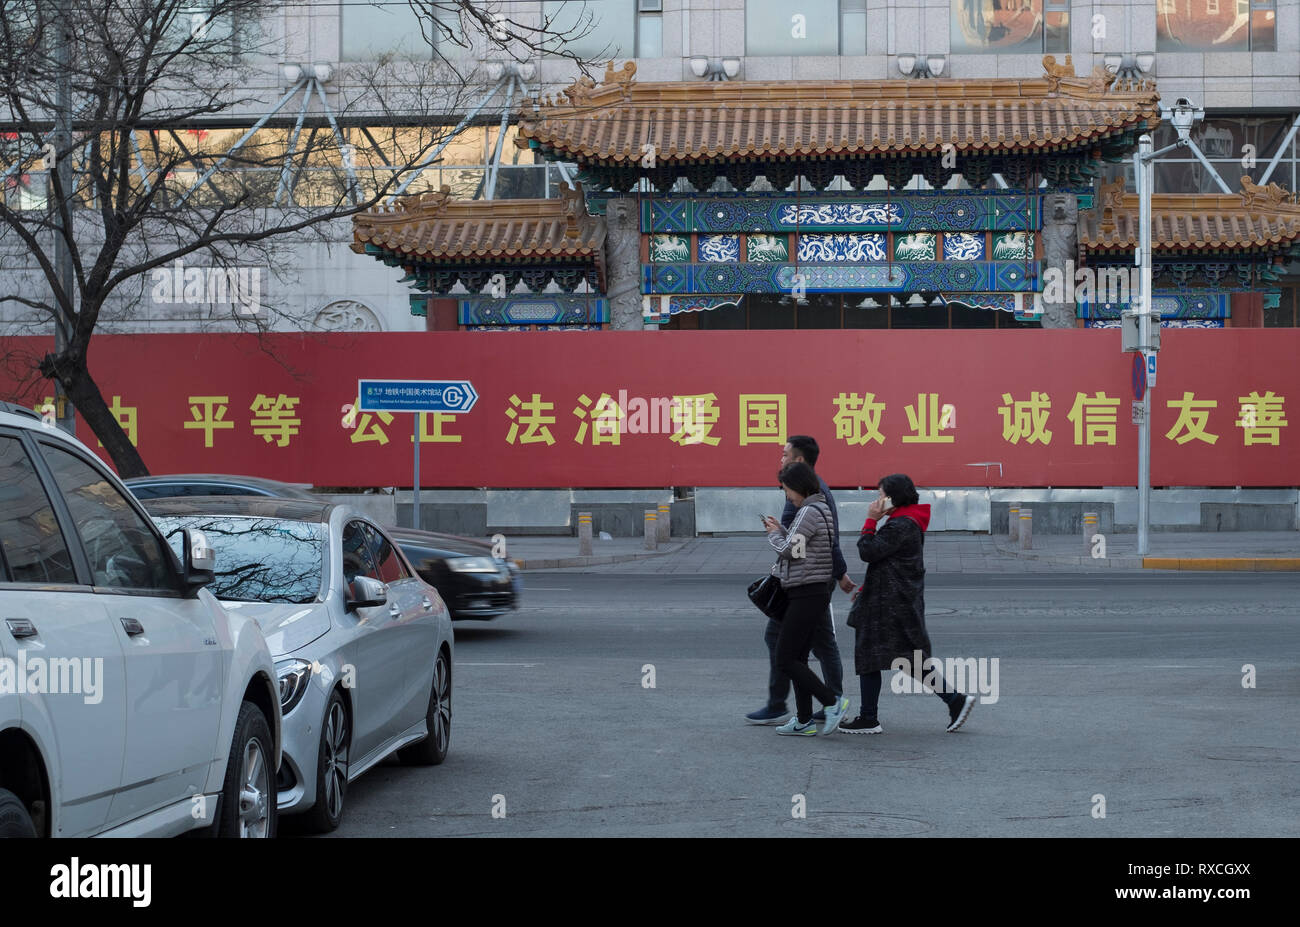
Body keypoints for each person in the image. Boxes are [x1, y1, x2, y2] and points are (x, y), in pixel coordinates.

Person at [841, 473, 976, 734]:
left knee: (870, 654)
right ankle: (955, 700)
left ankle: (869, 718)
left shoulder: (901, 525)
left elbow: (868, 551)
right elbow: (887, 562)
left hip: (887, 605)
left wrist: (870, 520)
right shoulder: (906, 522)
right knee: (908, 659)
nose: (876, 501)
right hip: (892, 600)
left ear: (893, 497)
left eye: (880, 495)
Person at [747, 436, 854, 726]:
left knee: (796, 651)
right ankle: (804, 717)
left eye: (784, 455)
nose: (780, 459)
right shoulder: (813, 503)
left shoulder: (810, 508)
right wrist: (782, 529)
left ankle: (832, 702)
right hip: (806, 587)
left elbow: (793, 550)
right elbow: (807, 541)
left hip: (807, 588)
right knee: (804, 649)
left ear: (799, 466)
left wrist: (774, 534)